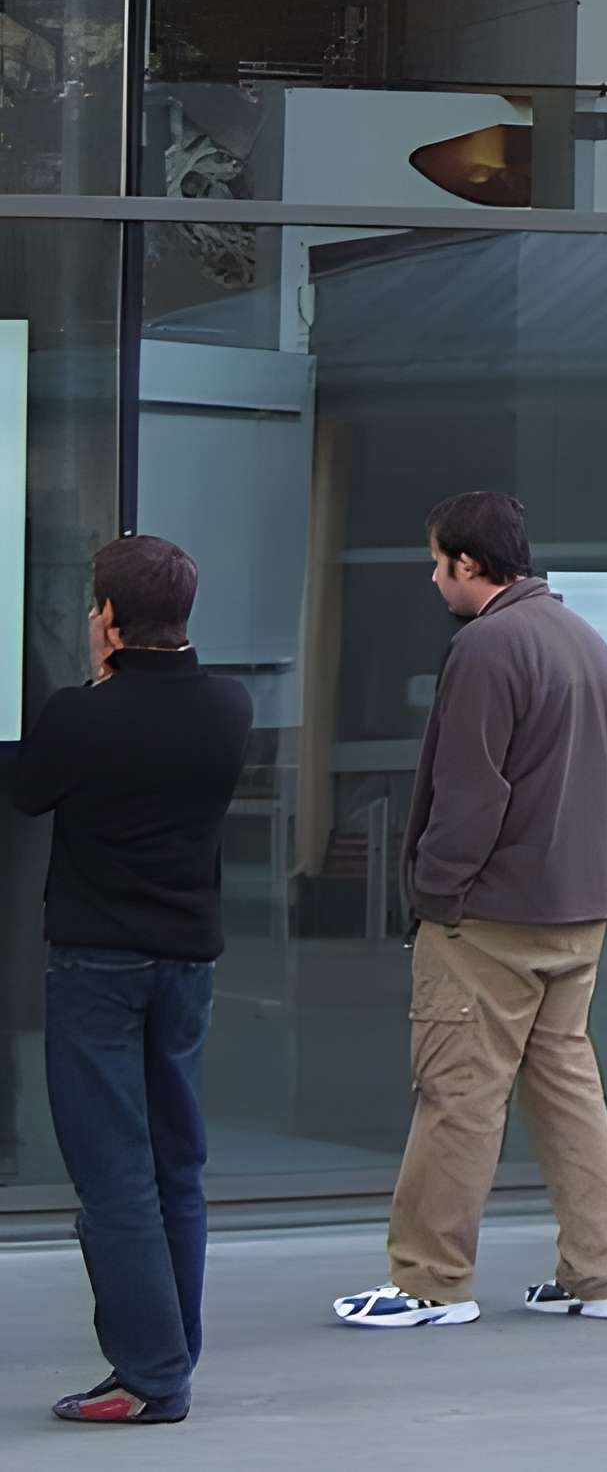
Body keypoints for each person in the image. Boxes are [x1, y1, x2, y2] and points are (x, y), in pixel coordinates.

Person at [328, 492, 607, 1330]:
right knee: (568, 1090)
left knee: (458, 1093)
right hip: (578, 906)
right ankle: (602, 1274)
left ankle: (430, 1281)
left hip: (490, 915)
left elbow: (471, 794)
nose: (434, 579)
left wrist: (436, 893)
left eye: (439, 563)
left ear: (471, 564)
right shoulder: (581, 638)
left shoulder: (486, 647)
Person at [8, 536, 254, 1426]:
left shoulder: (82, 715)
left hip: (98, 965)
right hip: (187, 962)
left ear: (109, 619)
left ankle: (151, 1376)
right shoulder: (229, 705)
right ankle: (168, 1353)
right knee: (173, 1163)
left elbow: (30, 791)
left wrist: (93, 683)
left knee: (112, 1175)